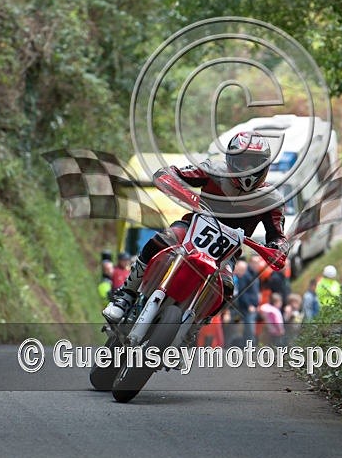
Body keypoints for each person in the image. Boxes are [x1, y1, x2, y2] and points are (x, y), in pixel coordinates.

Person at [103, 132, 289, 323]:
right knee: (162, 240)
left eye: (254, 163)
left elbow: (277, 235)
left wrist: (278, 248)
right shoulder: (213, 170)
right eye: (242, 162)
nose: (247, 168)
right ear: (230, 159)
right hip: (190, 228)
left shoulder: (272, 200)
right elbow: (176, 173)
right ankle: (125, 295)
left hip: (227, 253)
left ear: (264, 165)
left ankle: (195, 325)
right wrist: (168, 177)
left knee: (227, 288)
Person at [232, 258, 260, 345]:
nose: (257, 265)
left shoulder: (254, 274)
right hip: (247, 308)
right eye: (255, 263)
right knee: (249, 329)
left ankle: (248, 346)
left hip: (254, 307)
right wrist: (249, 305)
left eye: (258, 263)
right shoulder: (245, 275)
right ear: (250, 263)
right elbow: (242, 292)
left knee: (250, 329)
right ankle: (250, 348)